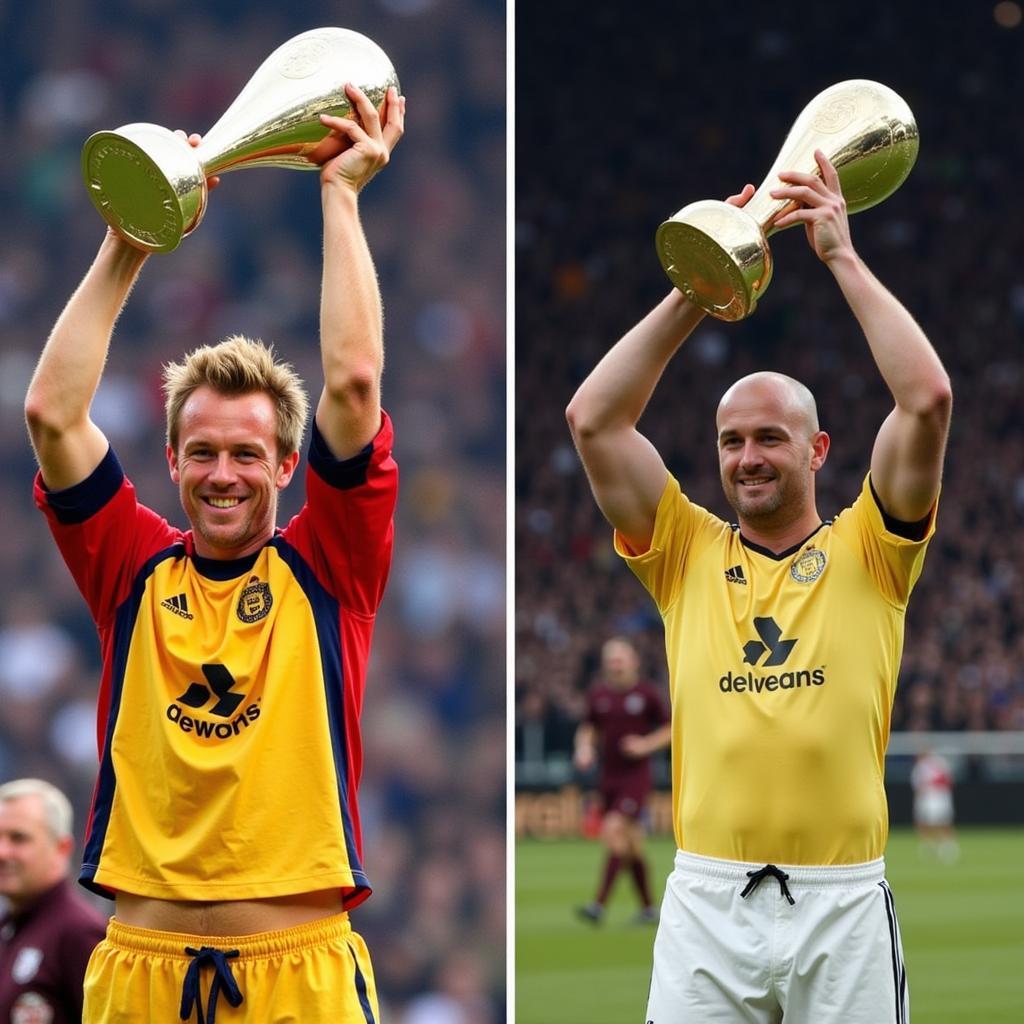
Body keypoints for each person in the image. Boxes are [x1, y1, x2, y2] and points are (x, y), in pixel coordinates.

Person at [25, 82, 405, 1024]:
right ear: (171, 460)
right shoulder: (133, 567)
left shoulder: (330, 566)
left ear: (286, 462)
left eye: (246, 453)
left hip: (298, 978)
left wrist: (341, 197)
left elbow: (353, 384)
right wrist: (129, 243)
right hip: (140, 975)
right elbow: (51, 414)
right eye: (202, 453)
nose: (224, 474)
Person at [566, 149, 951, 1023]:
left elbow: (926, 399)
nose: (748, 457)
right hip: (708, 902)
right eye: (732, 440)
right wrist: (702, 281)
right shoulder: (682, 551)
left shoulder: (874, 547)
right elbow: (593, 418)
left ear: (816, 450)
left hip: (842, 905)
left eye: (770, 438)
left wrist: (840, 258)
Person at [573, 636, 670, 925]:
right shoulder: (599, 695)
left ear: (633, 661)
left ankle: (598, 906)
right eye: (611, 660)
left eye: (620, 659)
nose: (615, 665)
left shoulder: (647, 694)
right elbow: (588, 727)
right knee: (631, 846)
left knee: (613, 830)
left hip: (636, 777)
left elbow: (670, 729)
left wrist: (645, 745)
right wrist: (585, 747)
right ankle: (649, 908)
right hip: (609, 777)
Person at [0, 779, 107, 1023]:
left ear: (62, 848)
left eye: (18, 838)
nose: (2, 852)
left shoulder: (79, 932)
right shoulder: (8, 927)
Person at [911, 748, 958, 863]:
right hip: (925, 799)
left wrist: (936, 782)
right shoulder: (919, 767)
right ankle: (928, 845)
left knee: (943, 822)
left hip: (940, 798)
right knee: (923, 823)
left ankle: (948, 846)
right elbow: (917, 785)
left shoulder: (939, 763)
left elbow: (948, 780)